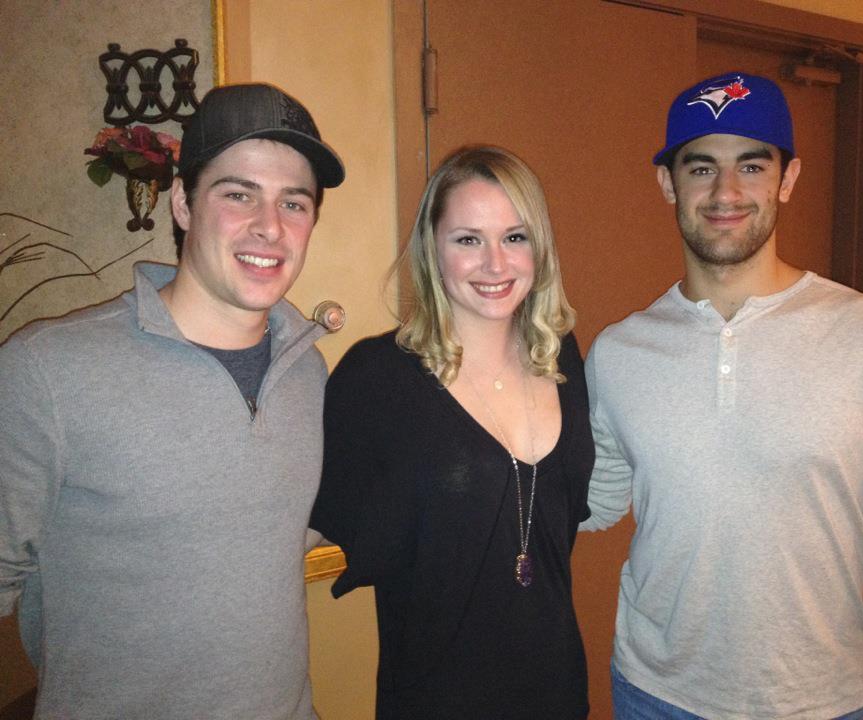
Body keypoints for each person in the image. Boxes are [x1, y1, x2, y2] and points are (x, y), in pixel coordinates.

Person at [581, 72, 863, 720]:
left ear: (787, 178)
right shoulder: (620, 353)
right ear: (668, 183)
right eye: (700, 167)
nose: (725, 192)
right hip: (653, 693)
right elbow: (591, 503)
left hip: (820, 702)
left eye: (751, 165)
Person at [0, 83, 344, 719]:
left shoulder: (309, 370)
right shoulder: (49, 369)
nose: (269, 227)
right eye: (238, 194)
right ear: (183, 203)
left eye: (293, 203)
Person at [311, 146, 594, 719]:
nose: (495, 264)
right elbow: (301, 528)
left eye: (515, 237)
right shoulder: (377, 379)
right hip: (436, 699)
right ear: (432, 249)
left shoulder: (560, 358)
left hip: (557, 693)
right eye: (468, 239)